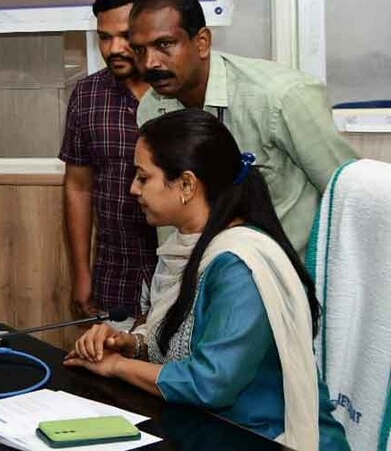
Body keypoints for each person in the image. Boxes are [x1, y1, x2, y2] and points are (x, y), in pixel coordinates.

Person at [64, 109, 348, 449]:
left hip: (266, 437)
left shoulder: (239, 265)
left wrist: (116, 367)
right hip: (209, 430)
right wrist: (132, 344)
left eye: (143, 177)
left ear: (186, 184)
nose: (132, 189)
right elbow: (187, 340)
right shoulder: (190, 246)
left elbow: (210, 383)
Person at [132, 0, 357, 255]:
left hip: (286, 276)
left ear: (202, 42)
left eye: (164, 44)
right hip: (205, 274)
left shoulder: (281, 98)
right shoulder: (152, 107)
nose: (149, 63)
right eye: (138, 50)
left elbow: (350, 195)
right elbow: (171, 209)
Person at [60, 0, 156, 326]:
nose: (114, 48)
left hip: (180, 271)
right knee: (106, 370)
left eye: (125, 35)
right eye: (104, 37)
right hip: (115, 275)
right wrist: (82, 273)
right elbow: (78, 187)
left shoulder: (179, 90)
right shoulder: (88, 95)